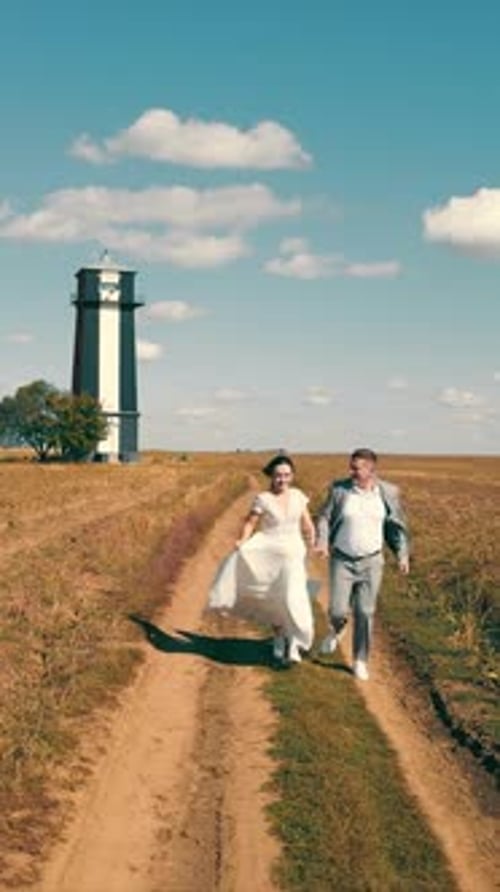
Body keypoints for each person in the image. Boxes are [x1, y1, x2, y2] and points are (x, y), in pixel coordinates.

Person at [208, 454, 315, 663]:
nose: (282, 480)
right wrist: (242, 541)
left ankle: (295, 642)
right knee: (274, 597)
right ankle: (278, 638)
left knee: (294, 596)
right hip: (270, 553)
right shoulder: (263, 499)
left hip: (293, 553)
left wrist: (314, 540)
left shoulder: (298, 496)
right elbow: (250, 523)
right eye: (278, 475)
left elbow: (307, 522)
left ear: (292, 476)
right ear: (271, 477)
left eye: (286, 475)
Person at [315, 448, 410, 681]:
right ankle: (338, 627)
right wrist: (322, 541)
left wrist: (402, 554)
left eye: (356, 468)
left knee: (365, 612)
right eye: (351, 467)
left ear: (371, 469)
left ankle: (360, 660)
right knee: (337, 609)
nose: (352, 471)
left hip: (372, 561)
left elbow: (394, 527)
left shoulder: (388, 492)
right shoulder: (339, 490)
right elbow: (325, 517)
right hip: (342, 559)